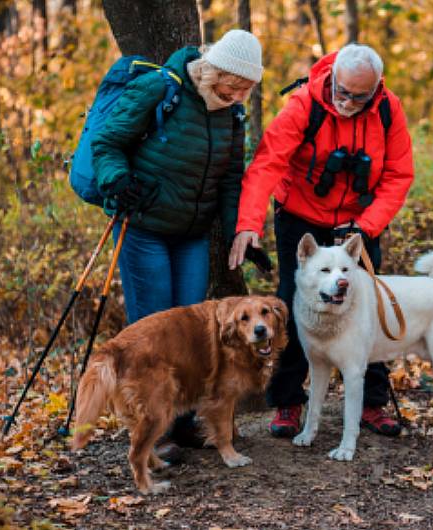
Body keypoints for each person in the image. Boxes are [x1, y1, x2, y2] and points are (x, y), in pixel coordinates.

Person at [91, 29, 264, 456]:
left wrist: (242, 231)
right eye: (235, 86)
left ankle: (184, 422)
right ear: (213, 72)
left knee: (194, 332)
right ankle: (155, 428)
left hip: (192, 235)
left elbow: (229, 180)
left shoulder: (232, 114)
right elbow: (107, 142)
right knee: (154, 330)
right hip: (144, 228)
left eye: (247, 89)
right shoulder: (160, 88)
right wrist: (118, 180)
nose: (240, 96)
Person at [228, 43, 414, 438]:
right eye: (341, 92)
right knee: (292, 303)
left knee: (367, 301)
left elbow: (399, 175)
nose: (346, 102)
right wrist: (249, 224)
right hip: (301, 216)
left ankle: (372, 403)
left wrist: (366, 226)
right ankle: (288, 402)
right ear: (333, 80)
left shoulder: (387, 109)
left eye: (358, 96)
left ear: (376, 88)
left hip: (358, 223)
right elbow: (266, 165)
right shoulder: (304, 103)